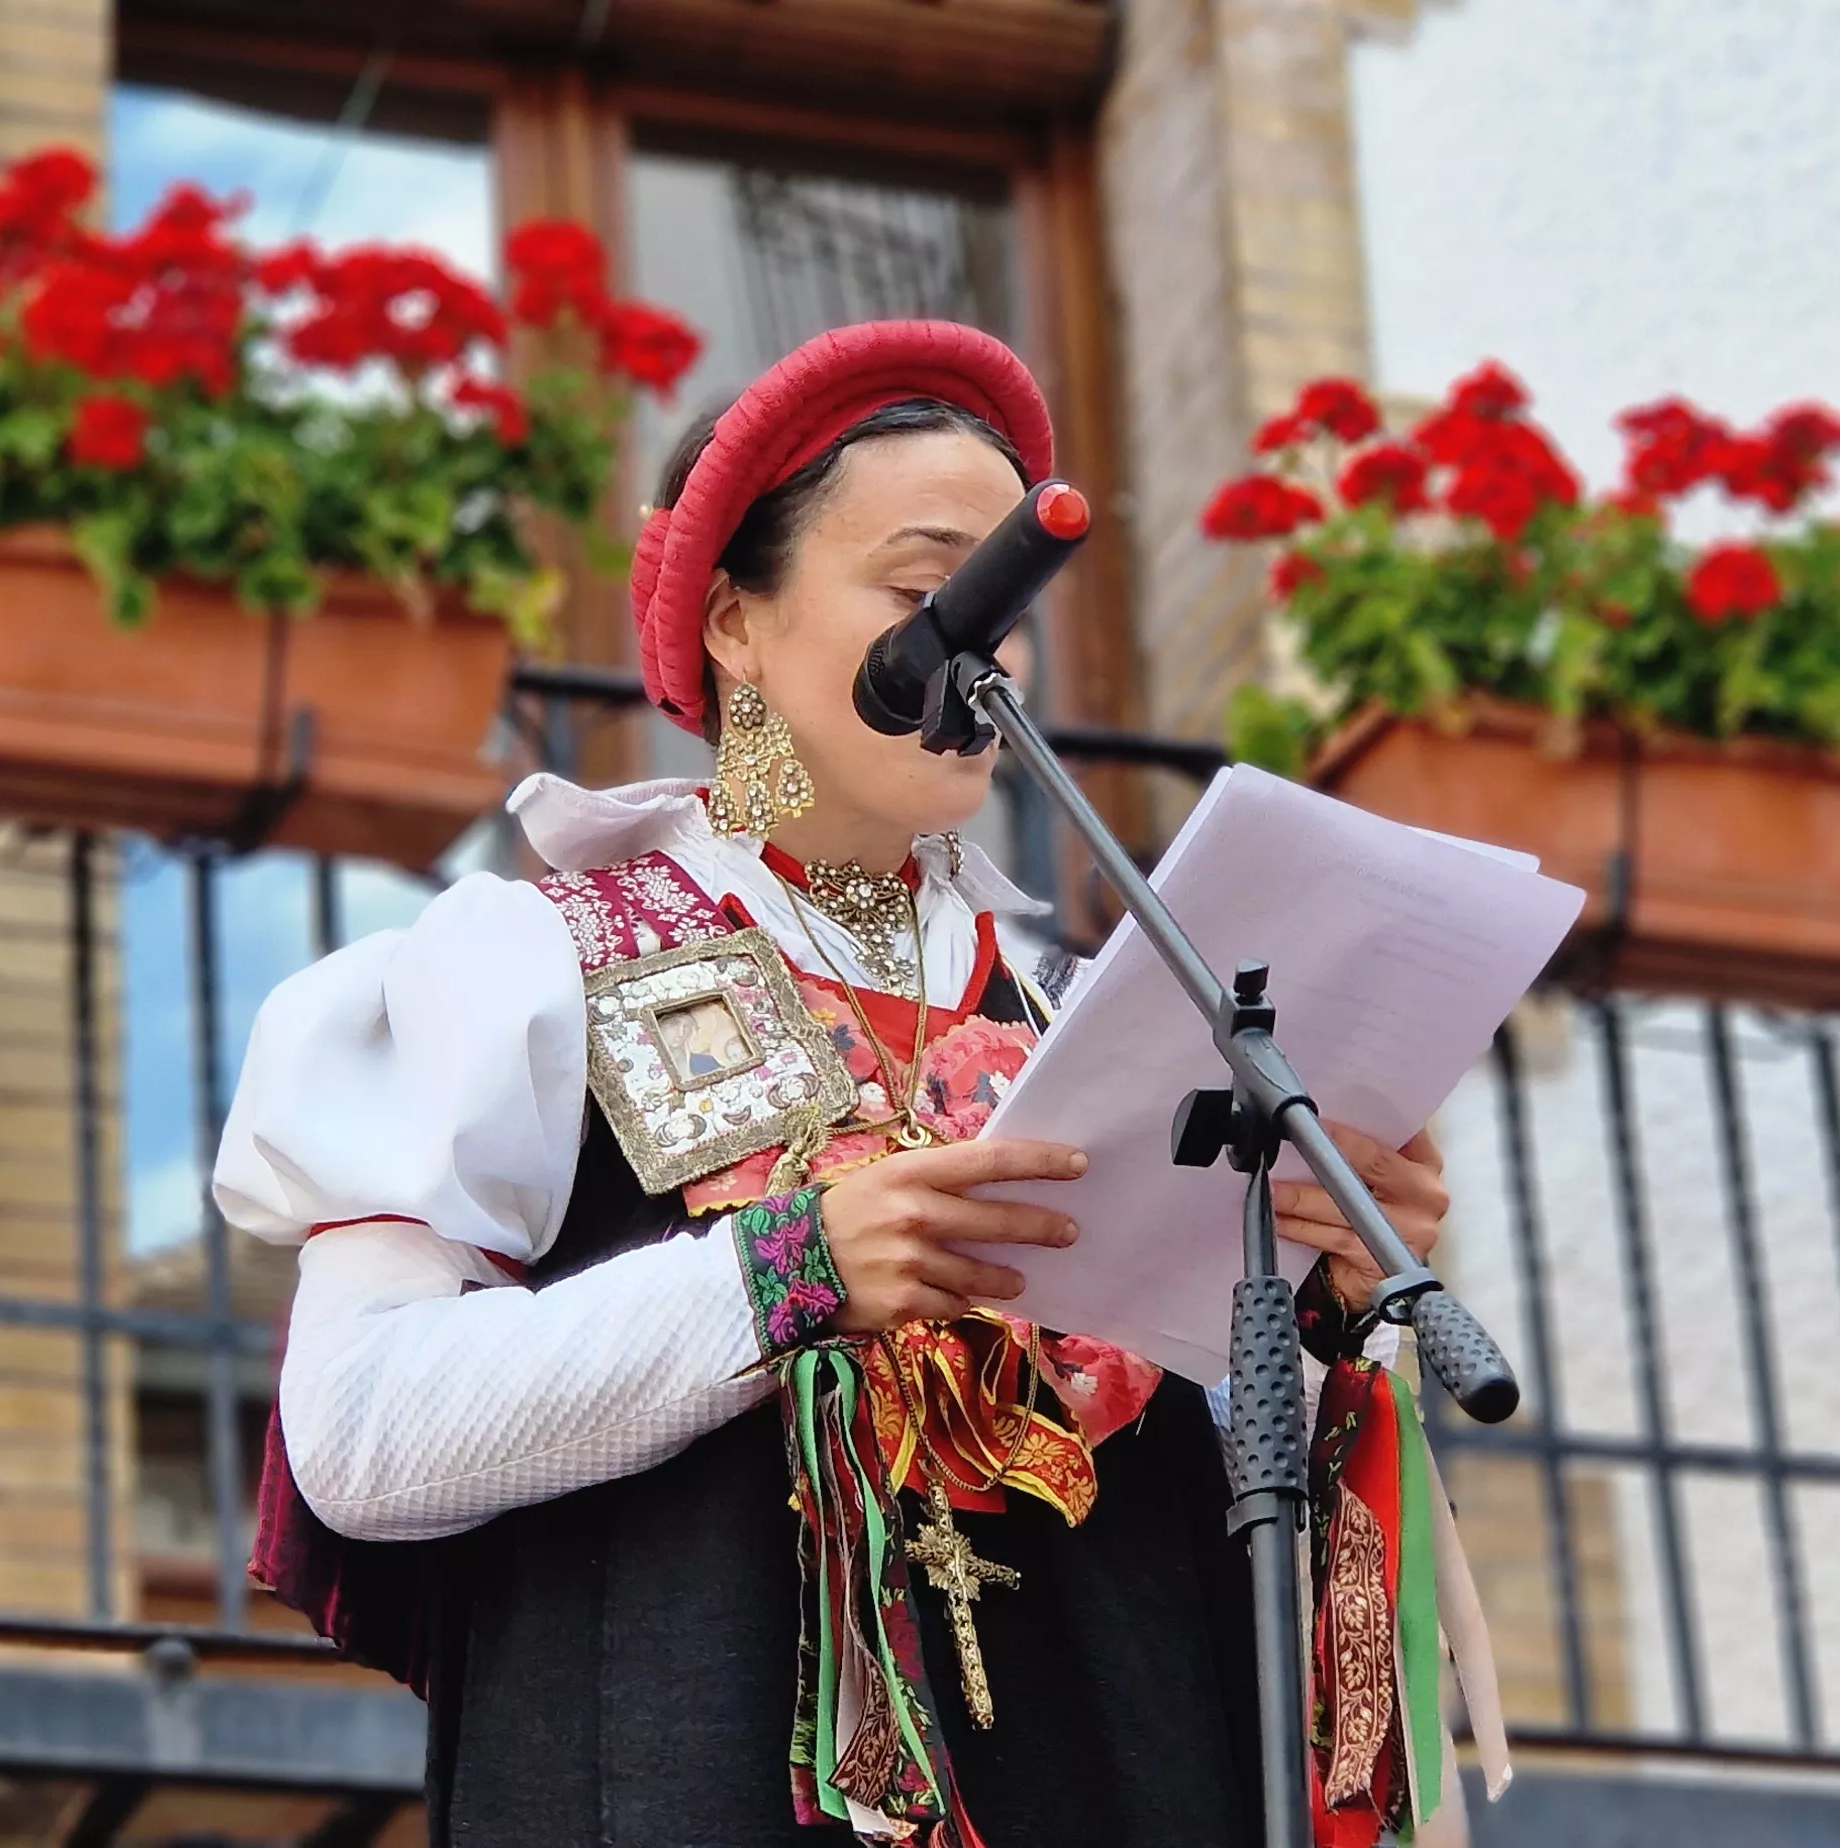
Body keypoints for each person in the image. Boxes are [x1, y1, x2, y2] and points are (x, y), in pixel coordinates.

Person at [220, 321, 1489, 1847]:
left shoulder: (1101, 1010)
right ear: (734, 625)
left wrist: (1313, 1297)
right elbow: (360, 1440)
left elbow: (1192, 1508)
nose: (983, 649)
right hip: (699, 1780)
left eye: (1005, 607)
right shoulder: (535, 959)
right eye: (925, 588)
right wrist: (782, 1275)